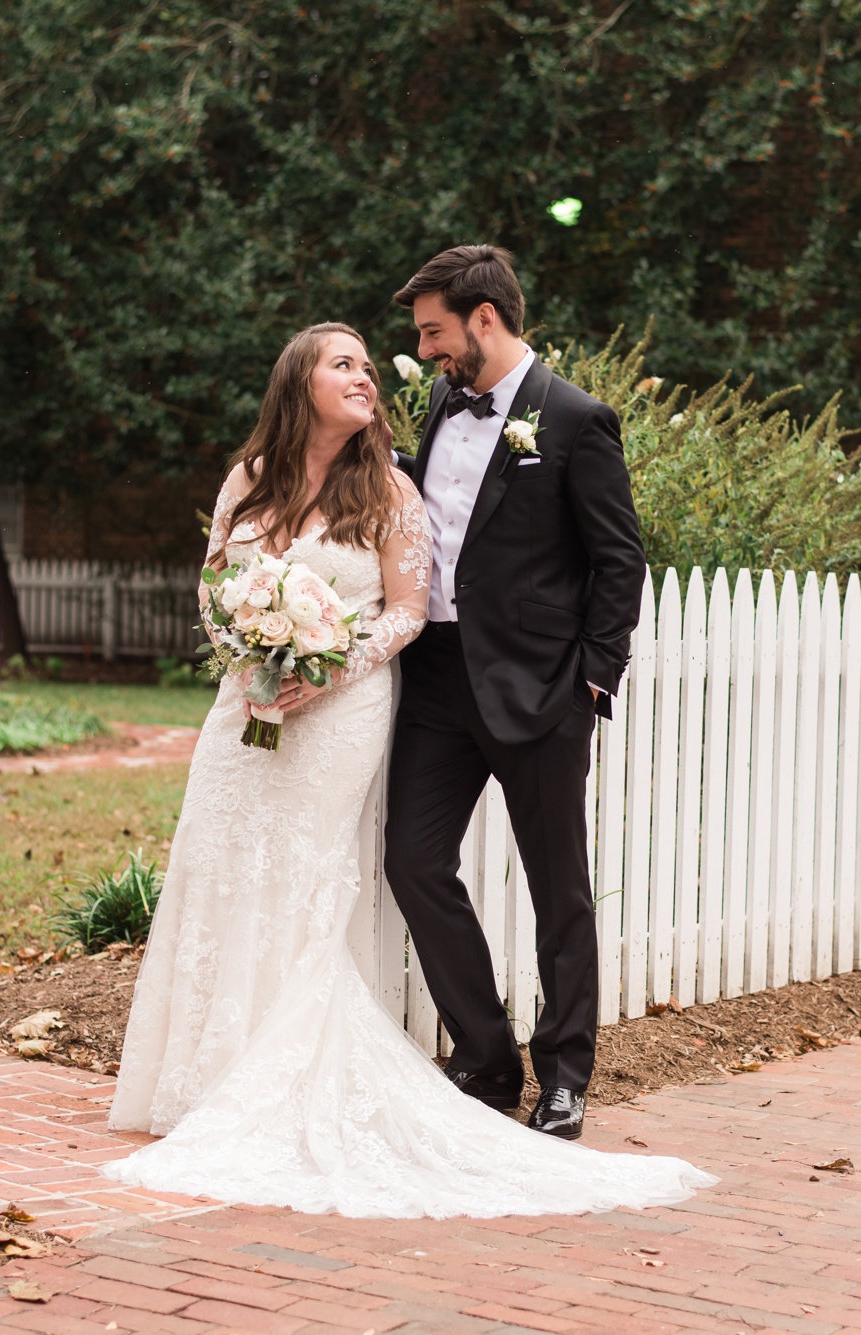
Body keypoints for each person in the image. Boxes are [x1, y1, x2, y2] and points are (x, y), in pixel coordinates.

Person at [102, 320, 713, 1218]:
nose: (378, 371)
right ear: (296, 380)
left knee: (511, 877)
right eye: (343, 363)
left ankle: (561, 1073)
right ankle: (242, 1066)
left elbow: (411, 605)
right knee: (253, 867)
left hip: (378, 700)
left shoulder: (393, 482)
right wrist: (253, 660)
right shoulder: (253, 478)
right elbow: (212, 587)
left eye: (381, 356)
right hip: (253, 710)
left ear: (481, 317)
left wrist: (317, 670)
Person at [383, 245, 645, 1140]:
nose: (424, 352)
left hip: (541, 691)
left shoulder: (574, 418)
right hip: (437, 681)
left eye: (433, 332)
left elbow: (620, 559)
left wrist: (592, 680)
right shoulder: (442, 405)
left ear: (483, 318)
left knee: (557, 887)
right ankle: (486, 1055)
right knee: (413, 860)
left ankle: (565, 1075)